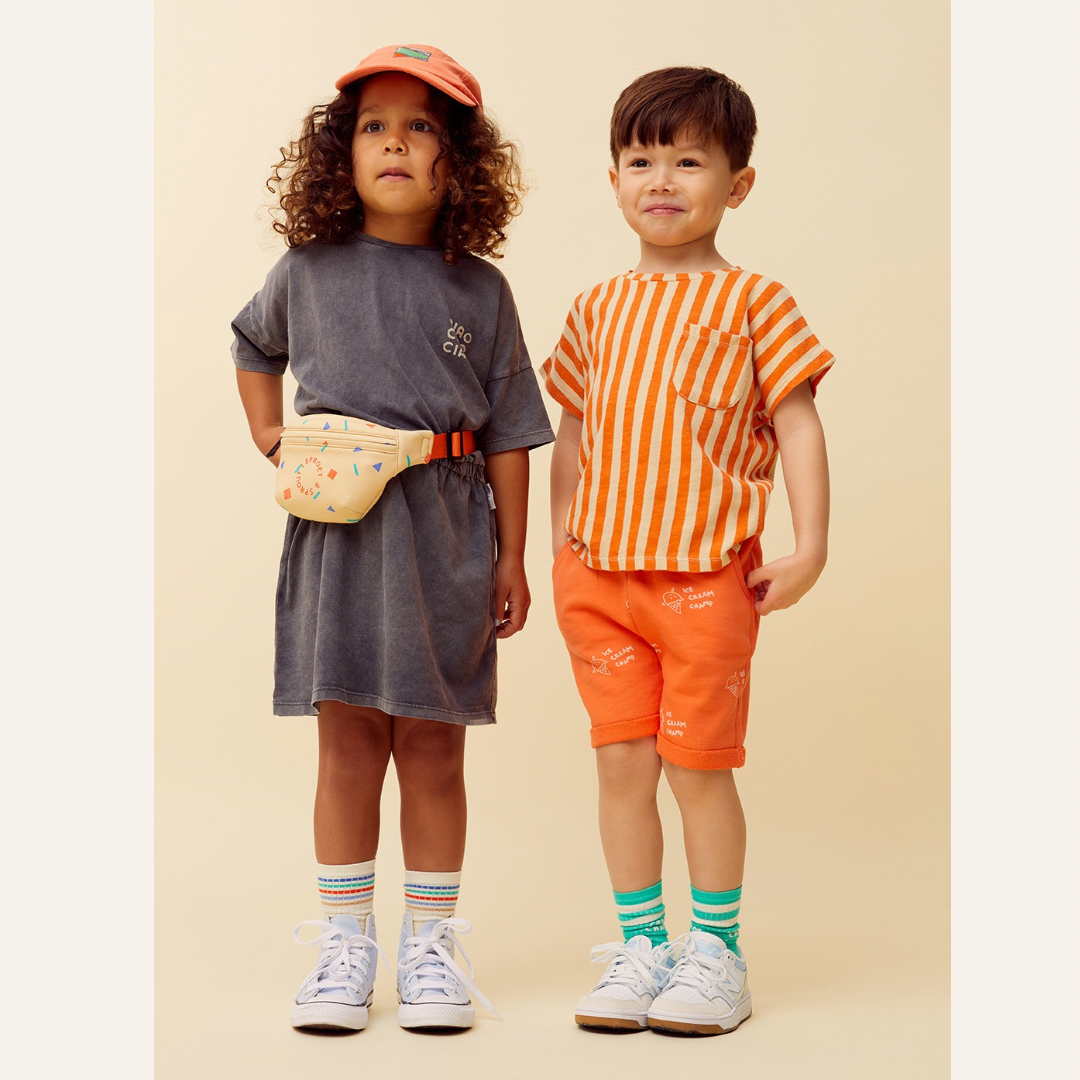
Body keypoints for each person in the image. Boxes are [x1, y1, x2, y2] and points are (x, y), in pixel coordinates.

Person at [231, 43, 554, 1033]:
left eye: (421, 127)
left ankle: (430, 949)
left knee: (433, 747)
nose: (396, 143)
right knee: (346, 744)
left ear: (461, 163)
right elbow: (252, 343)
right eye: (375, 125)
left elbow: (510, 431)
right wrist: (272, 436)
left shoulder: (481, 291)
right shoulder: (308, 270)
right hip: (339, 536)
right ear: (343, 154)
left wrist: (511, 556)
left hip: (446, 536)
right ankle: (344, 949)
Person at [543, 65, 834, 1036]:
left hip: (706, 583)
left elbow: (797, 425)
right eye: (640, 161)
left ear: (736, 185)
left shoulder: (757, 302)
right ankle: (643, 947)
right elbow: (573, 433)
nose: (661, 179)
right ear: (614, 180)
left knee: (697, 768)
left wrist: (809, 547)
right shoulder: (595, 308)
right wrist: (560, 543)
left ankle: (717, 955)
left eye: (689, 161)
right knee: (622, 766)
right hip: (598, 582)